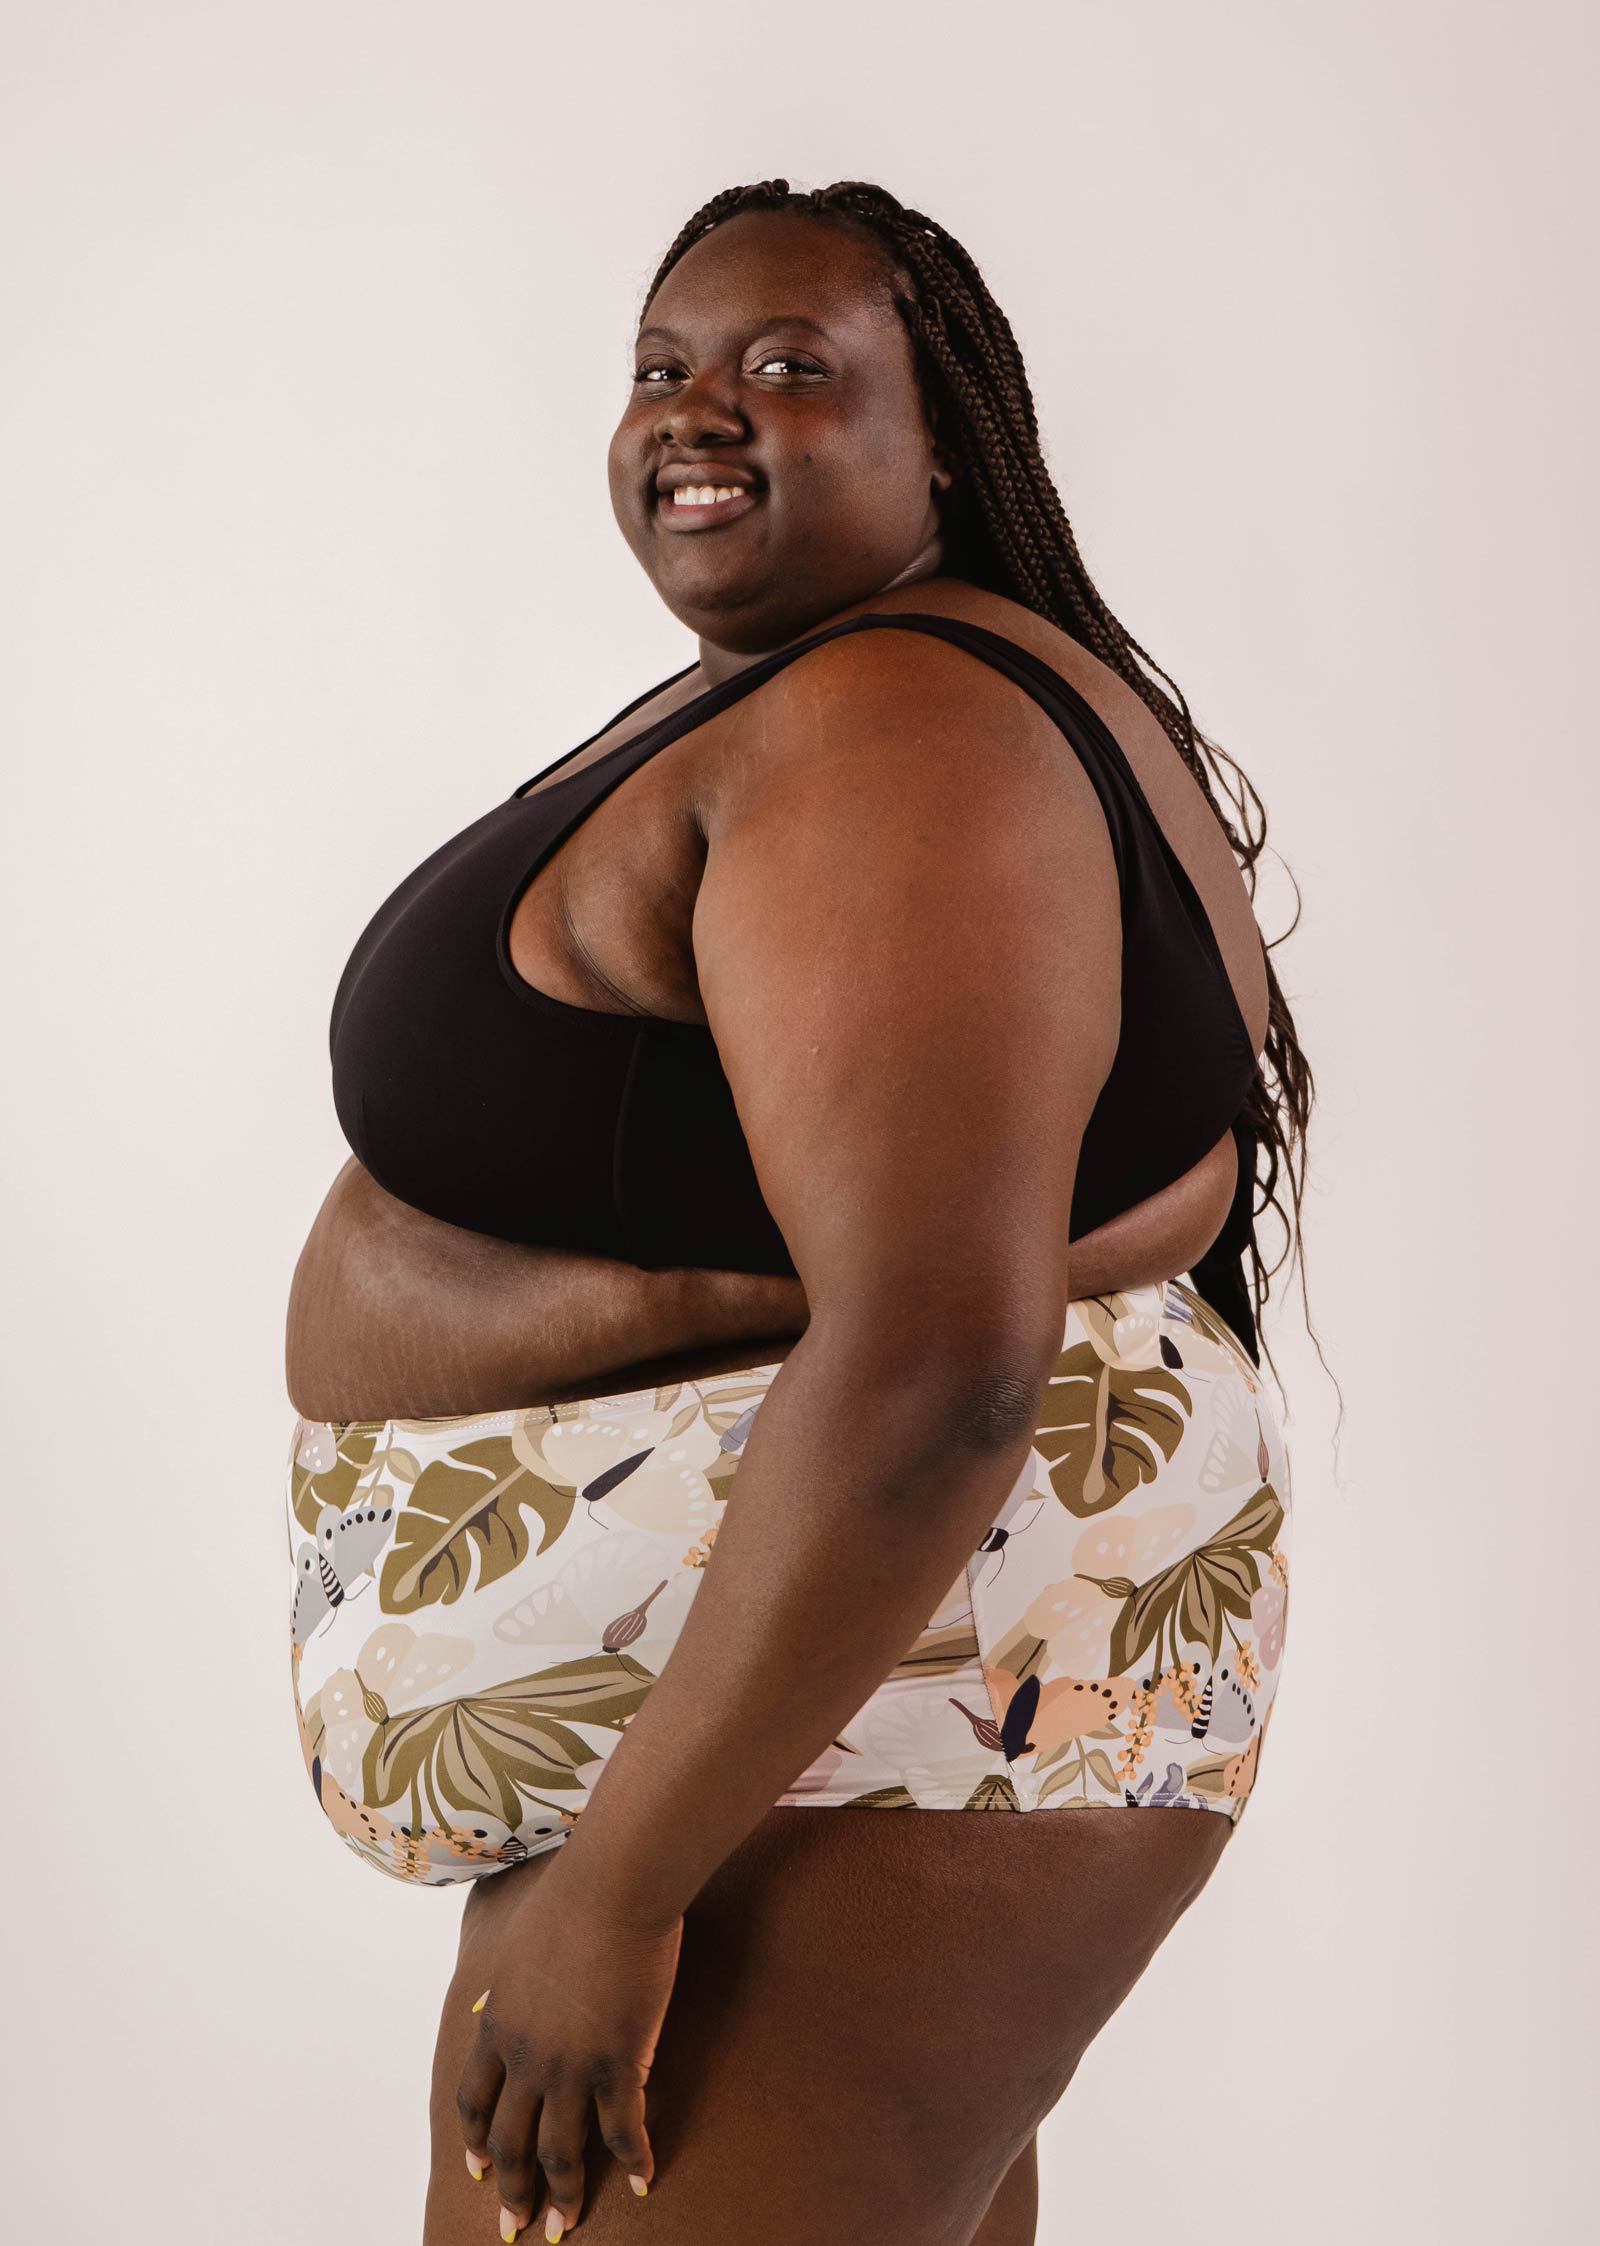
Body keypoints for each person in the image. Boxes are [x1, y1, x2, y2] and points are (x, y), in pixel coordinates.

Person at [284, 177, 1310, 2246]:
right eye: (662, 366)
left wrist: (617, 1891)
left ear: (942, 439)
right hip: (853, 1723)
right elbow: (1038, 1211)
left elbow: (939, 1355)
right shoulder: (873, 697)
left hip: (866, 1729)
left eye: (788, 369)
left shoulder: (897, 731)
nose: (699, 411)